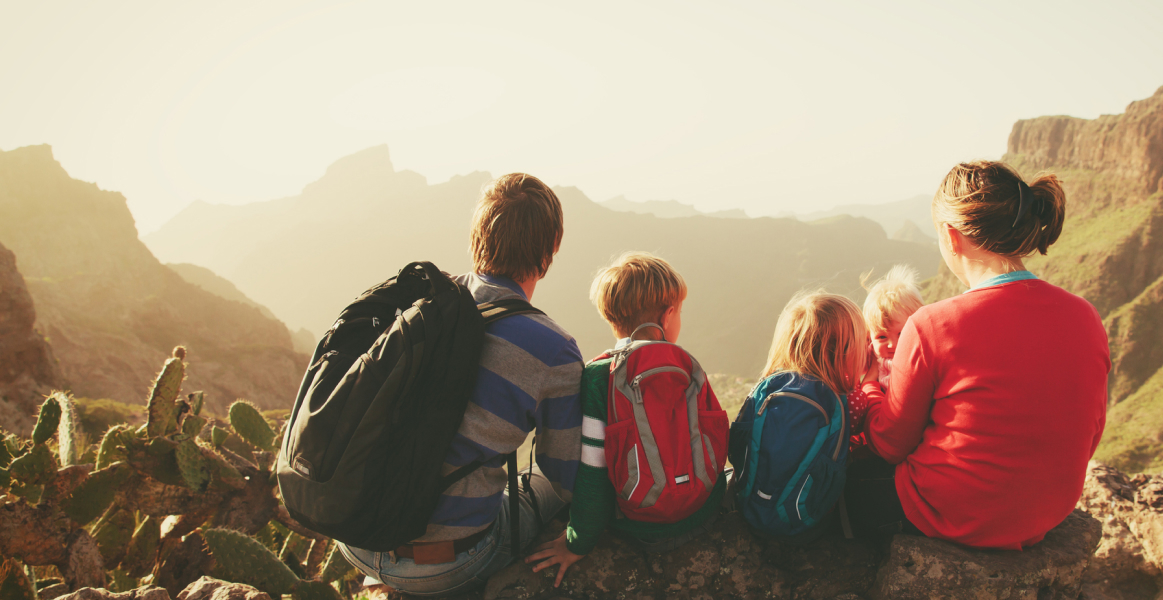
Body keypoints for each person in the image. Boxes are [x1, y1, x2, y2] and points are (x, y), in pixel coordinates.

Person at [337, 173, 583, 595]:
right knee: (540, 484)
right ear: (551, 248)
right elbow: (565, 475)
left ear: (477, 236)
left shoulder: (420, 303)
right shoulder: (554, 349)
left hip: (356, 536)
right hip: (447, 566)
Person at [848, 160, 1109, 550]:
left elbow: (889, 444)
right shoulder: (1086, 316)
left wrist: (869, 390)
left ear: (951, 237)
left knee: (835, 481)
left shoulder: (932, 324)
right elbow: (1089, 432)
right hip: (1045, 514)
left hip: (946, 513)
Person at [525, 252, 726, 587]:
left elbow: (593, 470)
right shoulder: (687, 365)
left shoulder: (599, 375)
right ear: (669, 314)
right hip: (700, 515)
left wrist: (578, 541)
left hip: (640, 527)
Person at [728, 291, 867, 541]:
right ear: (845, 351)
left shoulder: (768, 387)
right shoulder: (850, 398)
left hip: (749, 509)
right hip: (810, 522)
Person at [847, 265, 924, 454]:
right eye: (881, 337)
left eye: (902, 333)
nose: (892, 344)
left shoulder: (922, 358)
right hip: (872, 435)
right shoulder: (867, 357)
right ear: (869, 337)